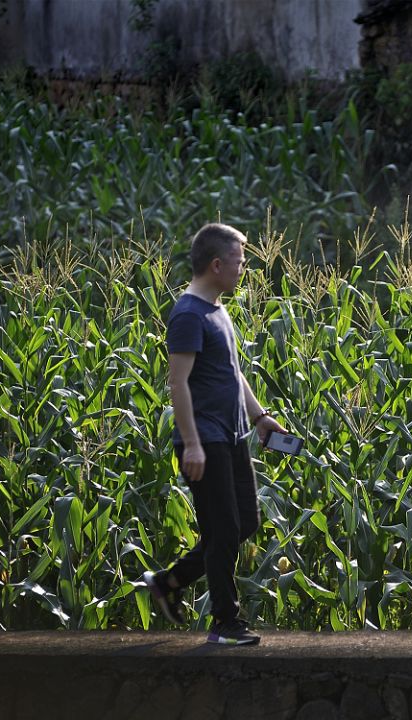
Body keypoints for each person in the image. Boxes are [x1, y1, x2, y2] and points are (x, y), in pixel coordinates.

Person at [143, 222, 286, 646]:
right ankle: (226, 621)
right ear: (217, 264)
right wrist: (191, 443)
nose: (244, 270)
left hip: (233, 434)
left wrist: (260, 418)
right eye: (240, 263)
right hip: (205, 439)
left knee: (243, 523)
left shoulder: (216, 310)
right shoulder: (188, 314)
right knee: (223, 530)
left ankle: (170, 581)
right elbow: (177, 384)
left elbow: (232, 373)